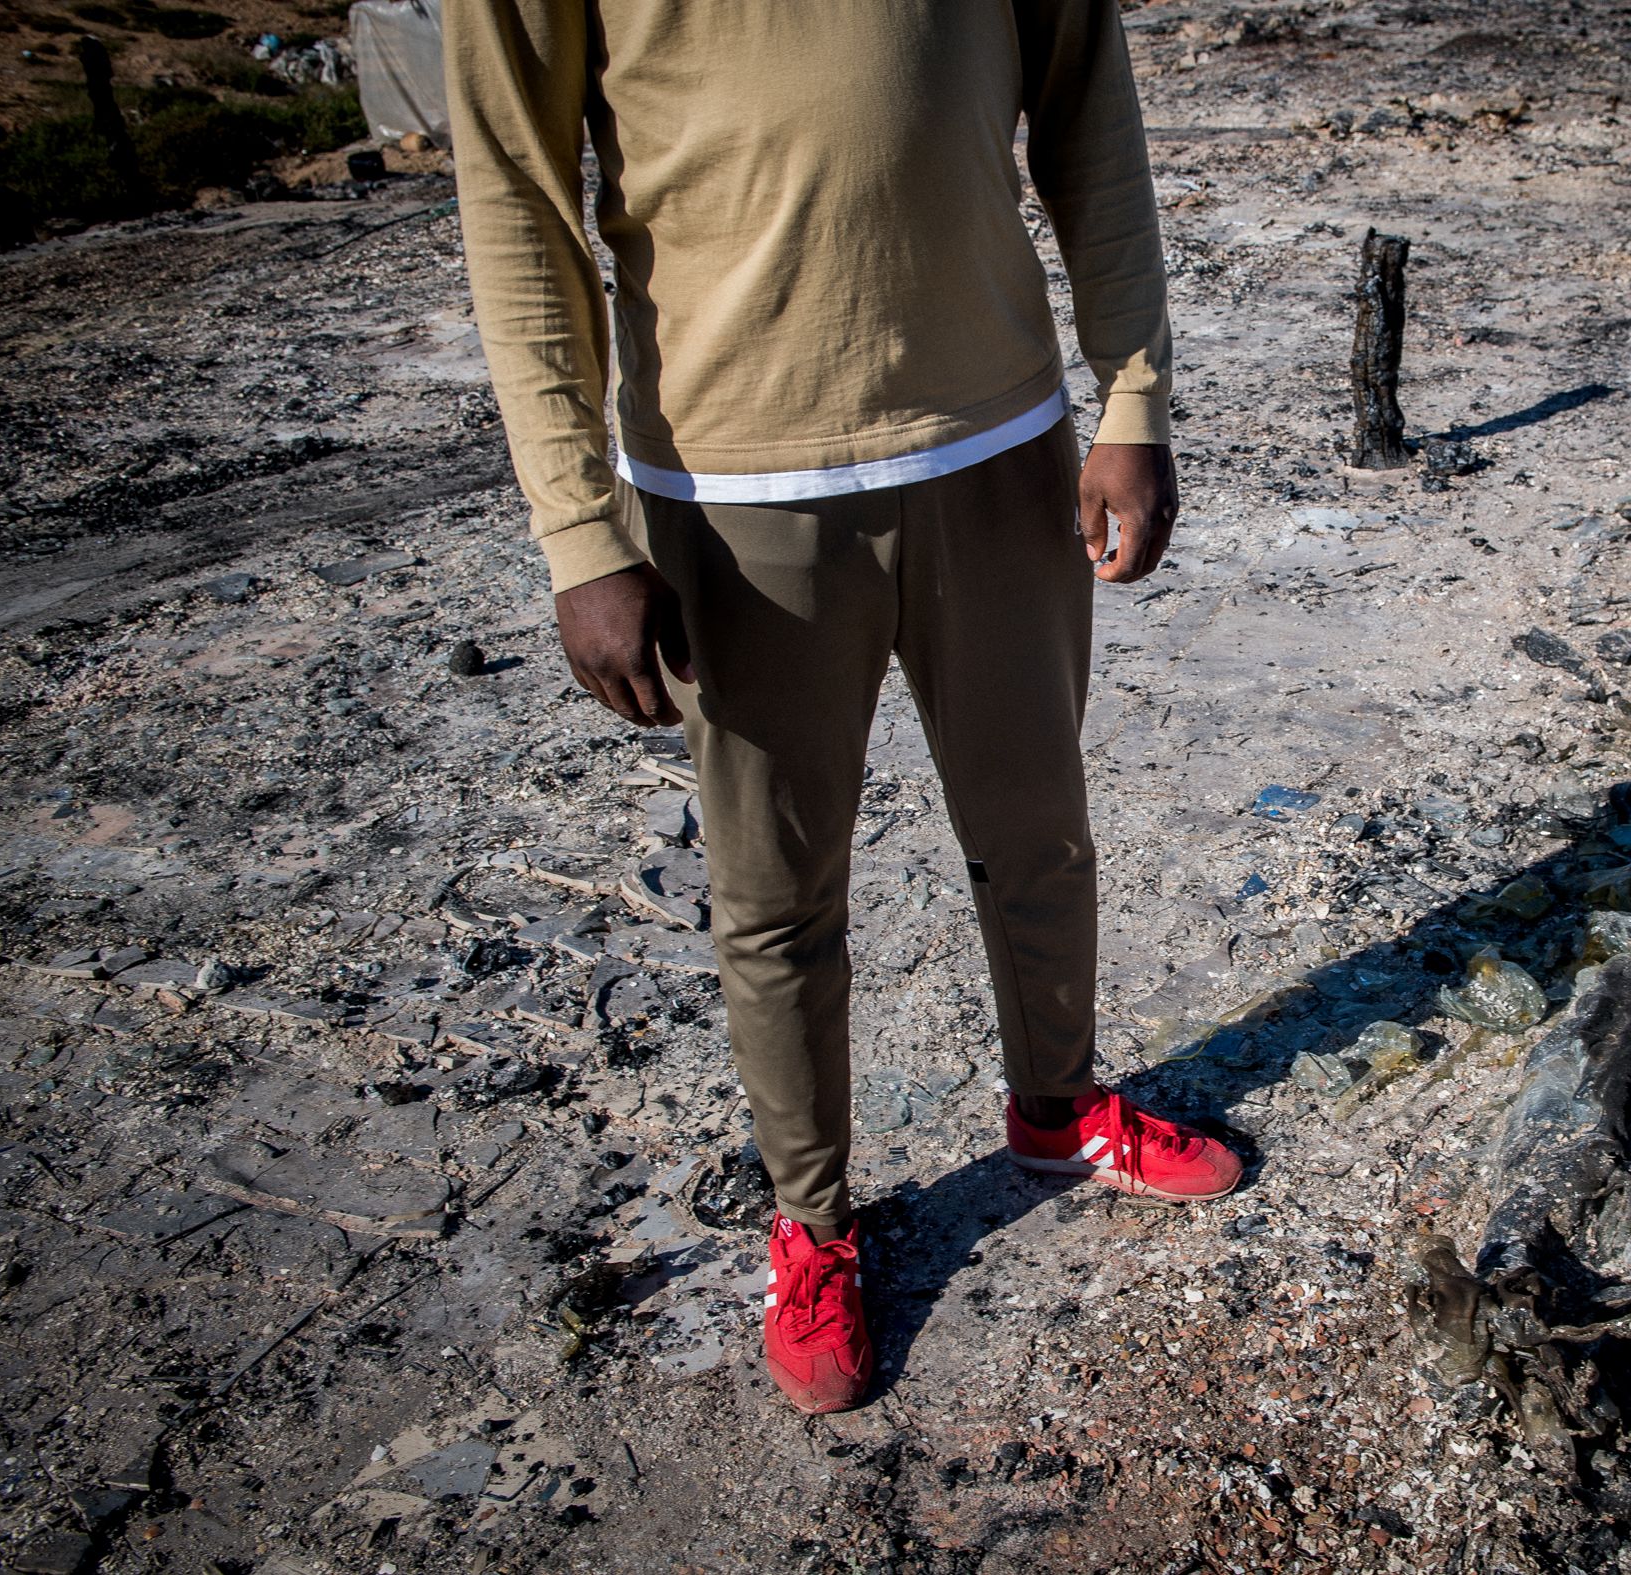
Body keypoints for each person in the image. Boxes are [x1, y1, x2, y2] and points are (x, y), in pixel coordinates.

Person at [445, 0, 1245, 1415]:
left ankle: (1057, 1115)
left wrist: (1132, 401)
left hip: (996, 447)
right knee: (775, 893)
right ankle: (813, 1227)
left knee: (1035, 830)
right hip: (727, 491)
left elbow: (1086, 121)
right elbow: (516, 204)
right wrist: (579, 534)